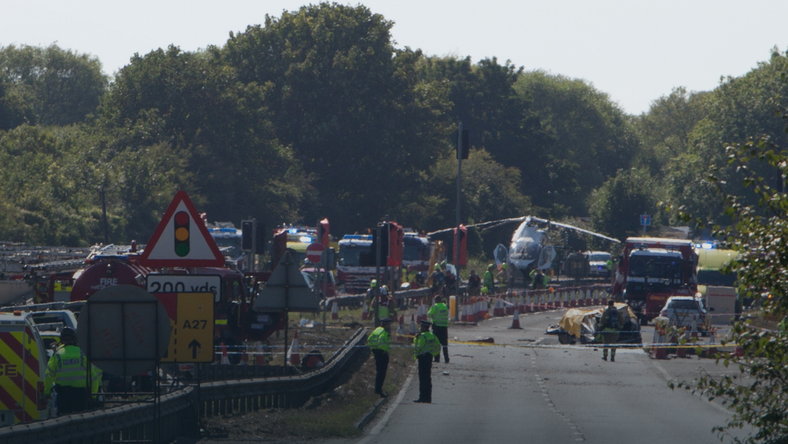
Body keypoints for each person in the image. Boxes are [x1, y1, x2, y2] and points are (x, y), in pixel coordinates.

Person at [45, 327, 102, 414]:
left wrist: (46, 392)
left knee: (64, 421)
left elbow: (49, 375)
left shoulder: (57, 355)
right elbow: (94, 376)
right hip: (81, 396)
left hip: (63, 396)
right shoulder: (82, 354)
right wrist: (93, 395)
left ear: (62, 340)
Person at [413, 320, 441, 403]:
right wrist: (434, 354)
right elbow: (438, 346)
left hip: (422, 358)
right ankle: (428, 398)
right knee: (428, 378)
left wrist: (416, 338)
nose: (420, 328)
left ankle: (422, 397)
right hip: (429, 358)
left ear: (424, 327)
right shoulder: (432, 336)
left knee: (422, 378)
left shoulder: (422, 336)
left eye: (421, 326)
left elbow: (418, 346)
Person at [367, 318, 393, 397]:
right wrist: (383, 349)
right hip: (382, 353)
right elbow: (381, 340)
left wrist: (373, 348)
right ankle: (379, 390)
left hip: (376, 352)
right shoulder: (384, 332)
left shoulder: (377, 329)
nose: (390, 326)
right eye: (389, 325)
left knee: (379, 371)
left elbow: (369, 339)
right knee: (382, 372)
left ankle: (377, 389)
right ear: (386, 325)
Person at [428, 295, 450, 363]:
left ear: (436, 300)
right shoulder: (445, 306)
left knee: (436, 343)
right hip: (444, 326)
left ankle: (437, 358)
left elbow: (429, 314)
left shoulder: (435, 306)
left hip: (437, 326)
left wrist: (433, 317)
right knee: (444, 344)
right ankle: (446, 359)